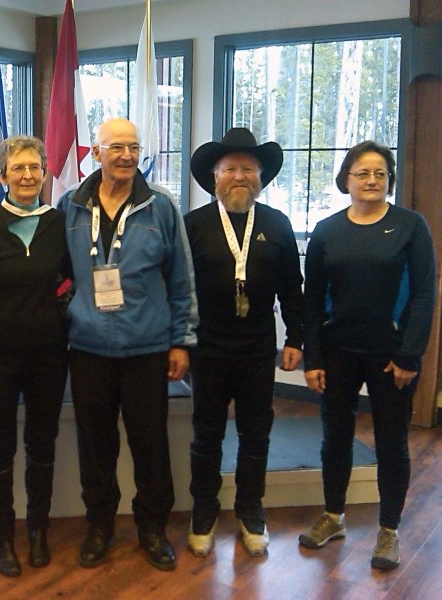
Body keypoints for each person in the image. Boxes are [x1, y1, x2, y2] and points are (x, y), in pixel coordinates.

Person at [59, 118, 197, 572]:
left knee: (150, 444)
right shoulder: (70, 206)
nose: (126, 156)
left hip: (147, 348)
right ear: (94, 153)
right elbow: (56, 278)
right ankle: (99, 526)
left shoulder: (161, 207)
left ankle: (152, 528)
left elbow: (182, 281)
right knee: (94, 446)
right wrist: (66, 319)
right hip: (89, 348)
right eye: (115, 147)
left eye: (134, 147)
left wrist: (181, 341)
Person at [299, 141, 436, 570]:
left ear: (389, 179)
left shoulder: (411, 226)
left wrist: (410, 356)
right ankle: (334, 515)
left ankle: (389, 530)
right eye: (363, 173)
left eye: (380, 173)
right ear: (346, 180)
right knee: (334, 437)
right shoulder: (326, 230)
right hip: (337, 353)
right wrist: (313, 356)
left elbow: (424, 295)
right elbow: (312, 299)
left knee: (392, 443)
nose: (372, 180)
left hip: (390, 356)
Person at [184, 127, 304, 558]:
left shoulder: (277, 224)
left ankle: (251, 510)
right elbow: (179, 289)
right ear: (215, 177)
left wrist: (296, 337)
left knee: (256, 433)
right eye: (230, 168)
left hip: (257, 349)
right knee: (206, 435)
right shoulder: (193, 224)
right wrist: (178, 342)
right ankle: (204, 511)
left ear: (260, 176)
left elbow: (293, 286)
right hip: (207, 348)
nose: (239, 175)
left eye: (248, 168)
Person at [0, 136, 69, 577]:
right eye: (18, 168)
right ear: (2, 174)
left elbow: (71, 280)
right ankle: (3, 538)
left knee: (42, 446)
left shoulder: (61, 223)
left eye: (35, 167)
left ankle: (38, 533)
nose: (27, 175)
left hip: (49, 358)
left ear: (45, 173)